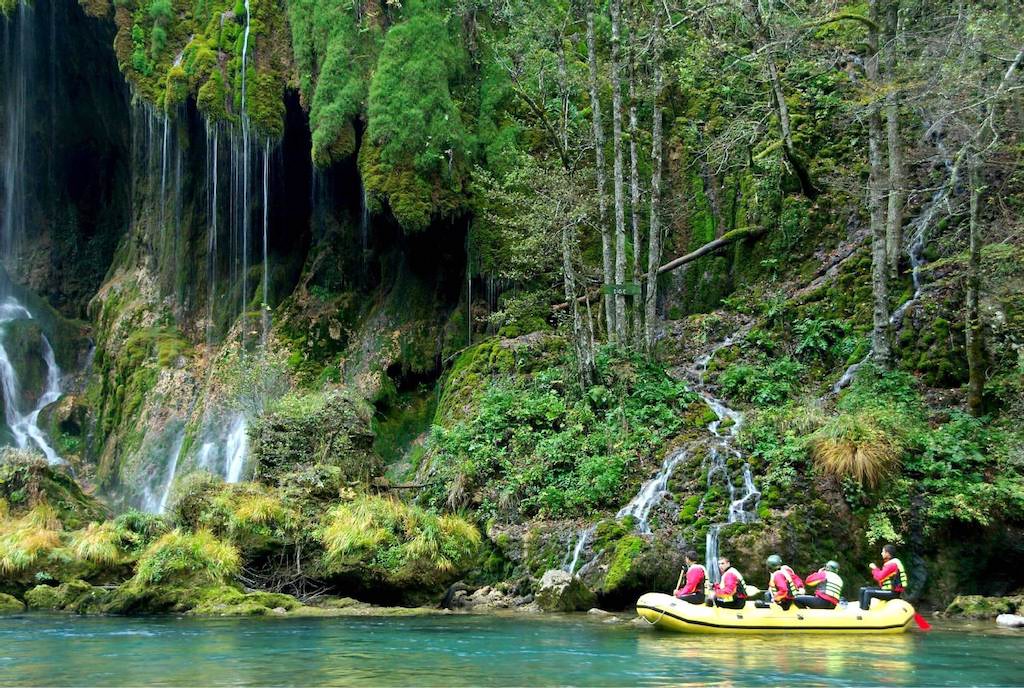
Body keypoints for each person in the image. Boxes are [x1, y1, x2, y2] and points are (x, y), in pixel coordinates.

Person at [858, 544, 906, 610]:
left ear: (887, 554)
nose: (881, 553)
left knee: (868, 592)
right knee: (862, 589)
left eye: (883, 552)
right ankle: (861, 610)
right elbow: (880, 578)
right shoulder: (891, 563)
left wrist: (874, 568)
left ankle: (864, 613)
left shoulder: (892, 565)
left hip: (893, 592)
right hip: (886, 589)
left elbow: (879, 577)